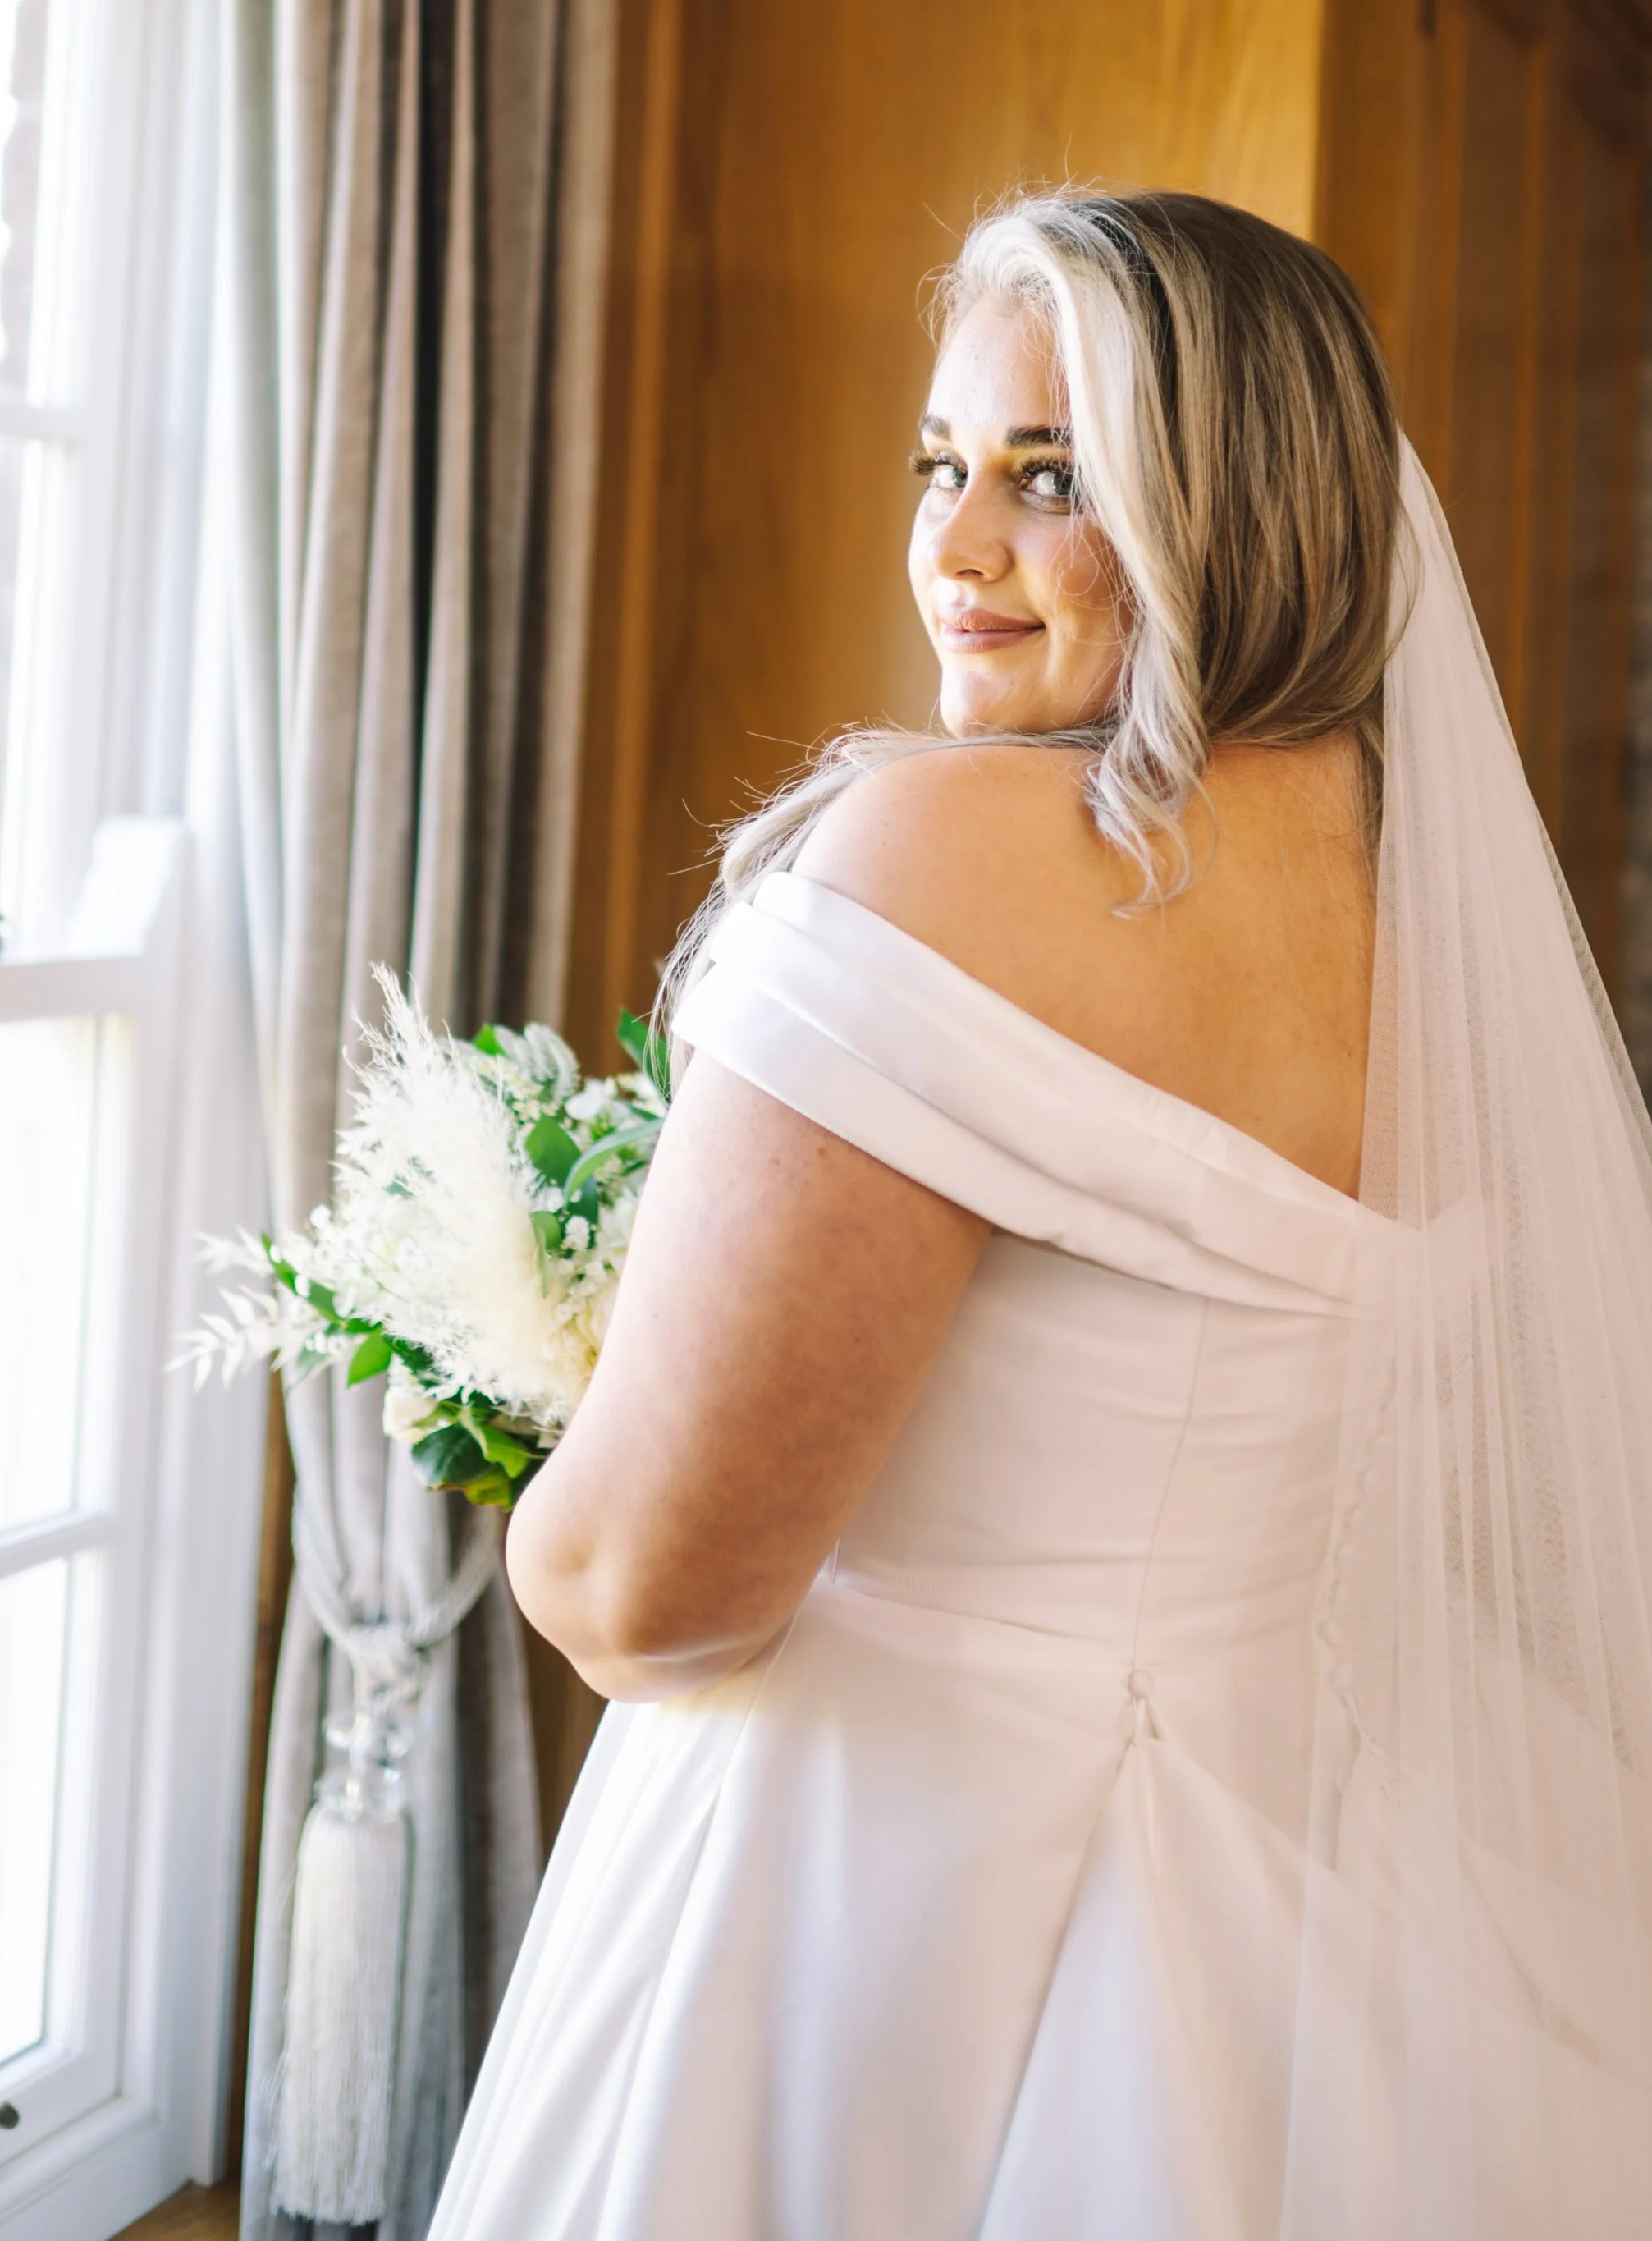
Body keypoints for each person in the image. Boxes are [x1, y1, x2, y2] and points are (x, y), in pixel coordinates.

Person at [426, 191, 1652, 2239]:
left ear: (1237, 511)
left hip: (885, 1919)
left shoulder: (940, 854)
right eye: (944, 465)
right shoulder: (1425, 916)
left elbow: (650, 1593)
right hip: (1297, 1891)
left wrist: (551, 1435)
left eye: (1054, 476)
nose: (957, 546)